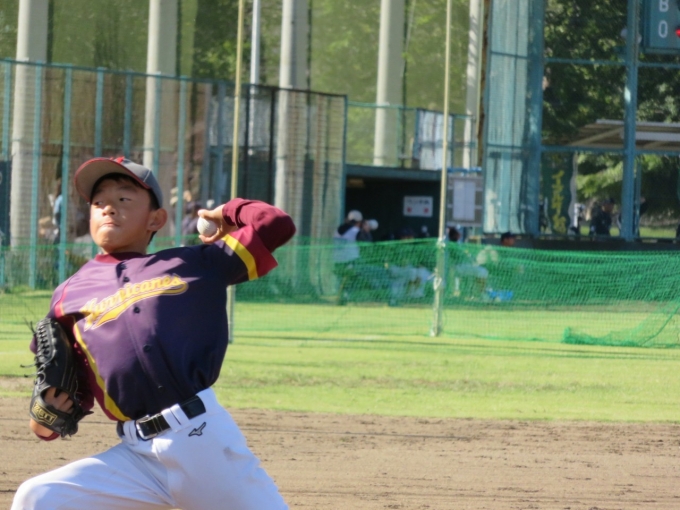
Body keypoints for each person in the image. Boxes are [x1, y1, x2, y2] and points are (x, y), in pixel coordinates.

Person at [12, 156, 295, 510]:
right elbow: (68, 388)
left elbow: (275, 224)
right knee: (40, 497)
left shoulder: (194, 263)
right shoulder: (67, 295)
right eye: (99, 202)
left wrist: (225, 212)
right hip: (136, 459)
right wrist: (46, 417)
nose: (108, 208)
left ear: (156, 219)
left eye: (123, 198)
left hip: (202, 441)